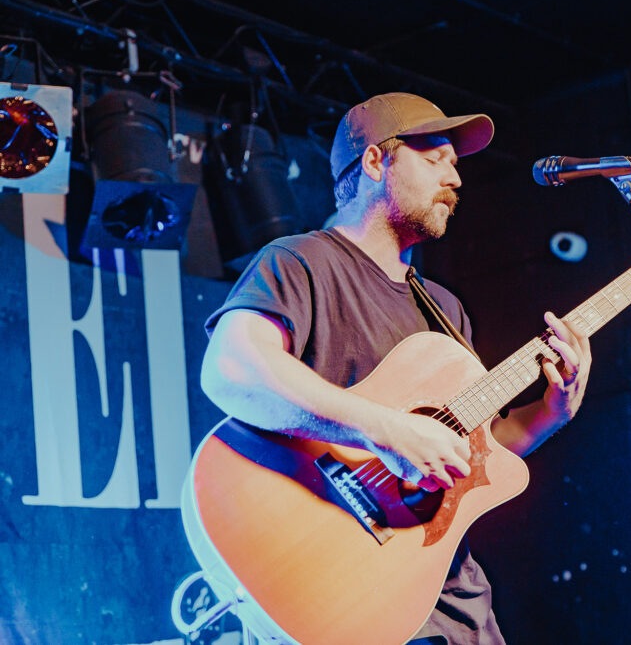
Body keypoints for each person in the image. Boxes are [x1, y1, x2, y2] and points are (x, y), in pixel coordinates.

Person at [200, 92, 593, 644]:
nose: (455, 179)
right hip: (345, 596)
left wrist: (554, 410)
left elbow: (476, 453)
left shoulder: (444, 309)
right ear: (375, 162)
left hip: (452, 603)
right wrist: (384, 430)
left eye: (455, 166)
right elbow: (231, 370)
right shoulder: (300, 262)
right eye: (436, 160)